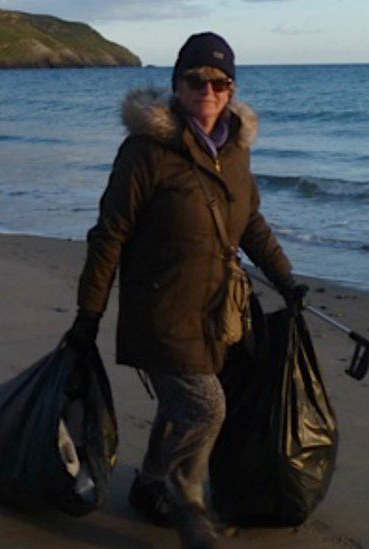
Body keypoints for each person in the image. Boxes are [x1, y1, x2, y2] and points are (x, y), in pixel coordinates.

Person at [67, 33, 307, 548]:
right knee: (205, 406)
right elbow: (109, 235)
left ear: (231, 89)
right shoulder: (146, 152)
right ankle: (188, 502)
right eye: (196, 79)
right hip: (160, 310)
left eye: (220, 82)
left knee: (186, 405)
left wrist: (285, 277)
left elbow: (250, 222)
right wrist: (88, 314)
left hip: (218, 312)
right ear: (178, 84)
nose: (208, 90)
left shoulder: (235, 150)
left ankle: (151, 485)